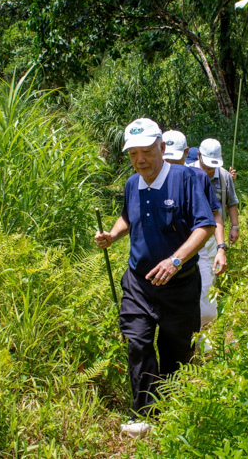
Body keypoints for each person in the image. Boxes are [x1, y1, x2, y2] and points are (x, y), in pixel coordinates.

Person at [94, 118, 216, 438]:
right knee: (138, 342)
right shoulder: (132, 184)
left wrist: (176, 260)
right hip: (138, 281)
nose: (140, 160)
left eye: (146, 151)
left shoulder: (188, 180)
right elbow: (126, 217)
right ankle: (144, 415)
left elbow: (205, 227)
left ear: (162, 147)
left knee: (176, 351)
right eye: (133, 154)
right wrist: (113, 235)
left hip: (179, 285)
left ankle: (171, 414)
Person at [162, 130, 227, 329]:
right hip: (164, 252)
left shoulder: (198, 177)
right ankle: (186, 347)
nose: (172, 164)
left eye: (176, 158)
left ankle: (198, 341)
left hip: (198, 250)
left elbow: (215, 215)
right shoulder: (150, 178)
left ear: (186, 153)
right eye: (167, 159)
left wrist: (221, 248)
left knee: (207, 309)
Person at [189, 138, 240, 247]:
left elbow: (231, 202)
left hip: (215, 233)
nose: (210, 167)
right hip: (190, 233)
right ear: (198, 156)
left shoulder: (224, 176)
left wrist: (234, 227)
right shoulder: (187, 172)